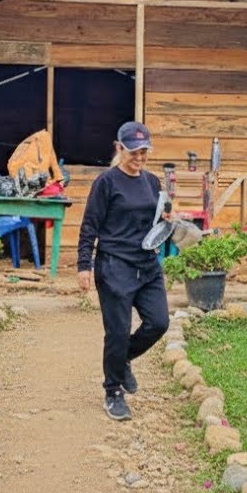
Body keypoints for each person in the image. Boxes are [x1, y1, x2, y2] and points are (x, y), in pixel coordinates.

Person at [77, 121, 171, 421]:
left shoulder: (153, 182)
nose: (140, 158)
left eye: (144, 152)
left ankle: (123, 359)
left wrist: (168, 218)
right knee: (117, 332)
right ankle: (113, 391)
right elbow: (89, 225)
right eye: (134, 152)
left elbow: (157, 220)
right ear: (119, 149)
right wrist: (84, 266)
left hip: (147, 265)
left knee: (159, 322)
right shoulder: (106, 182)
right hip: (114, 265)